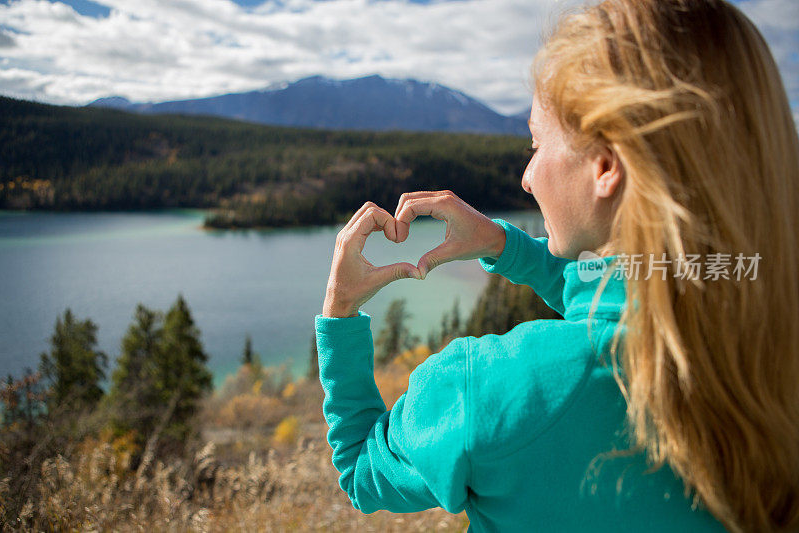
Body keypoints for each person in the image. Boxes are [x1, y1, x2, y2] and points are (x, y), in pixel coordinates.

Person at [314, 0, 799, 531]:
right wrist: (503, 245)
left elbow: (360, 467)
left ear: (606, 165)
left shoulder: (493, 392)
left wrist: (340, 314)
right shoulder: (762, 338)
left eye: (536, 143)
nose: (526, 177)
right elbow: (635, 297)